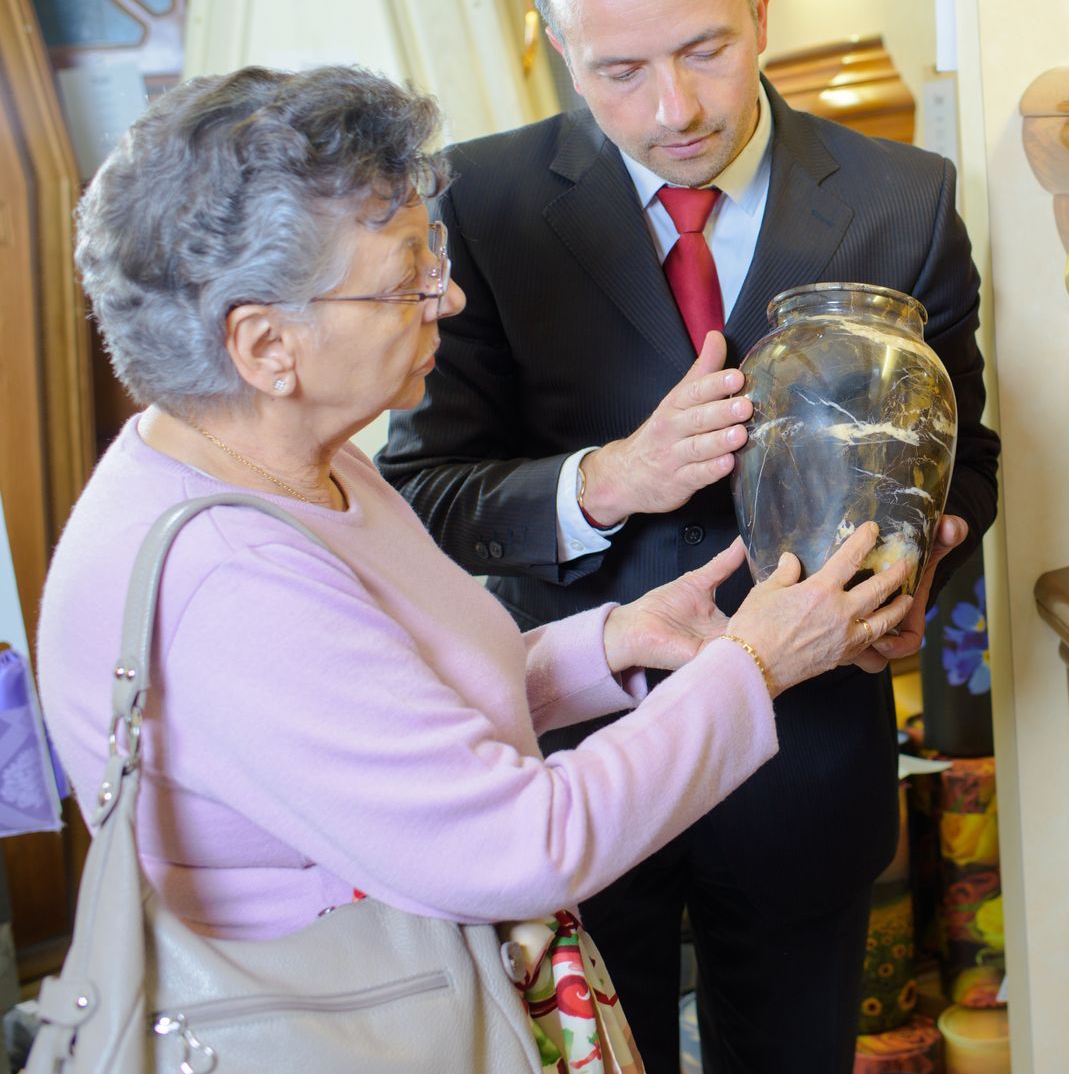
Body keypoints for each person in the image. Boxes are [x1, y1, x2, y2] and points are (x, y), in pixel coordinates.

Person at [37, 65, 915, 1065]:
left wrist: (611, 643)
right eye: (404, 274)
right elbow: (517, 845)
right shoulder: (228, 581)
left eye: (434, 255)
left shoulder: (293, 465)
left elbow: (400, 715)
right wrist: (751, 667)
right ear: (265, 344)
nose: (445, 294)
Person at [376, 0, 1001, 1074]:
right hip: (574, 778)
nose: (675, 109)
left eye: (706, 48)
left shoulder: (904, 199)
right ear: (560, 49)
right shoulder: (479, 207)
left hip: (808, 755)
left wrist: (918, 575)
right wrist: (605, 481)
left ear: (763, 9)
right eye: (619, 71)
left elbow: (966, 458)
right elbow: (421, 493)